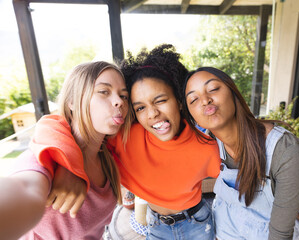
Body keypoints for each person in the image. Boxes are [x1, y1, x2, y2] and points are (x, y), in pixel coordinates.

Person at [28, 44, 220, 240]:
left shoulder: (205, 146)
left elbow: (238, 170)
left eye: (161, 100)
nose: (153, 113)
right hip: (155, 224)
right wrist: (67, 164)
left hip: (197, 221)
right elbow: (52, 123)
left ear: (179, 101)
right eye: (140, 107)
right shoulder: (124, 138)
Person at [0, 61, 131, 239]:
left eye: (123, 96)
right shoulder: (45, 156)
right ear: (72, 102)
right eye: (104, 92)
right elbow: (25, 190)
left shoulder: (108, 157)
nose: (119, 102)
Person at [183, 67, 299, 240]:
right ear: (192, 116)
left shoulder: (285, 150)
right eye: (194, 99)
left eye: (213, 89)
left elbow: (281, 234)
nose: (205, 100)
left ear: (233, 91)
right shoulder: (209, 143)